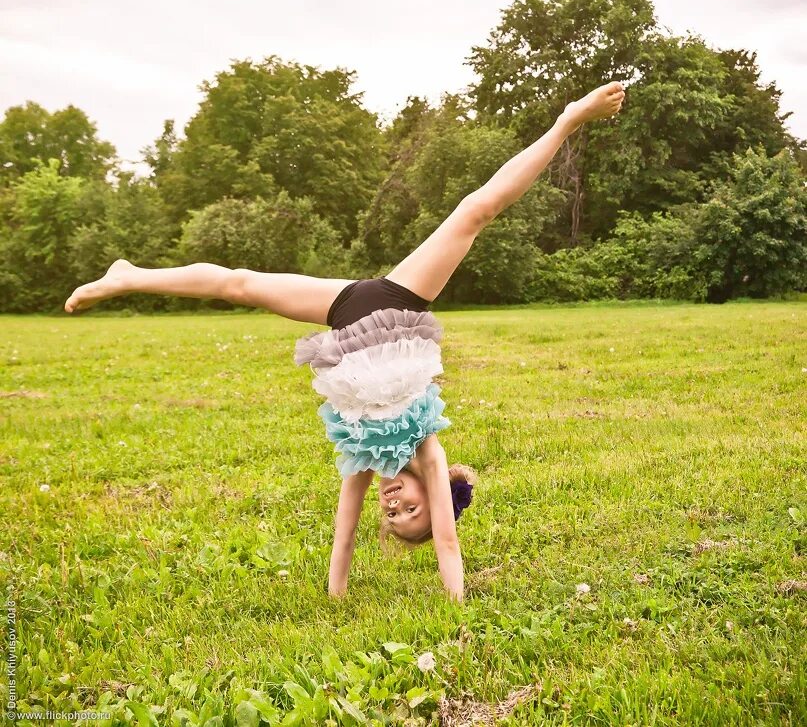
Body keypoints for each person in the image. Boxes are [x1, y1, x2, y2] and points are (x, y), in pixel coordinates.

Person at [64, 81, 626, 601]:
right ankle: (567, 121)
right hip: (399, 301)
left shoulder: (360, 455)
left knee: (240, 285)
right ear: (431, 497)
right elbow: (449, 547)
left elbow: (344, 534)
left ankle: (129, 275)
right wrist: (457, 606)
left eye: (395, 519)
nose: (394, 508)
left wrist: (336, 597)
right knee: (476, 211)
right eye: (411, 512)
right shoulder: (429, 451)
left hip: (347, 313)